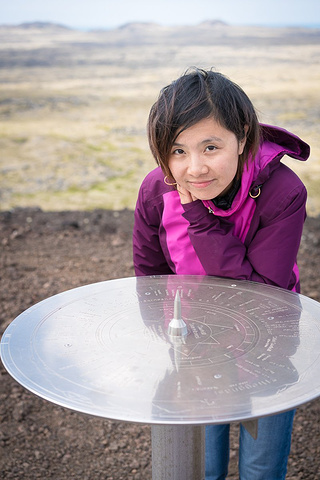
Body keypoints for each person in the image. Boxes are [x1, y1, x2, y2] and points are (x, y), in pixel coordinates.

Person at [132, 68, 310, 479]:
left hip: (269, 343)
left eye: (210, 146)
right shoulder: (155, 191)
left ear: (243, 136)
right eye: (178, 151)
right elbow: (150, 273)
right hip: (193, 346)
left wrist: (199, 217)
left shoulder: (283, 193)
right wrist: (162, 335)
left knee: (260, 468)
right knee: (202, 465)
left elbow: (260, 294)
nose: (194, 168)